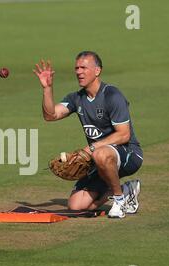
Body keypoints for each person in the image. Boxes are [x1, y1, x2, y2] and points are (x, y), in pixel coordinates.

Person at [33, 51, 143, 218]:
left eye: (84, 67)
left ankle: (119, 200)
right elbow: (51, 115)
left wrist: (90, 148)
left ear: (97, 70)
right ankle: (126, 191)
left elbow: (124, 135)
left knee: (100, 153)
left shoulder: (112, 95)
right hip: (99, 159)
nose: (78, 72)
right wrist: (47, 89)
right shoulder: (77, 98)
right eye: (76, 68)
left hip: (129, 154)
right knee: (76, 205)